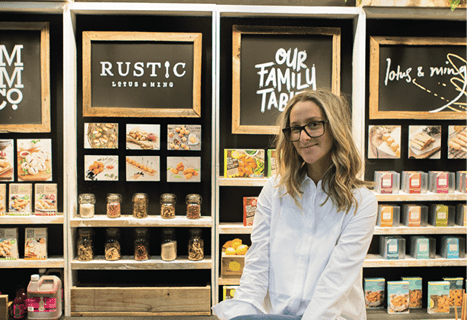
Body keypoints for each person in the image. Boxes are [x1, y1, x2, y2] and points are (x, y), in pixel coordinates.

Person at [212, 89, 378, 320]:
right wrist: (242, 311)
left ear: (335, 127)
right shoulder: (275, 190)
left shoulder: (361, 201)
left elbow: (337, 280)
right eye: (296, 128)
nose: (303, 137)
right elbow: (258, 261)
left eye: (313, 125)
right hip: (278, 315)